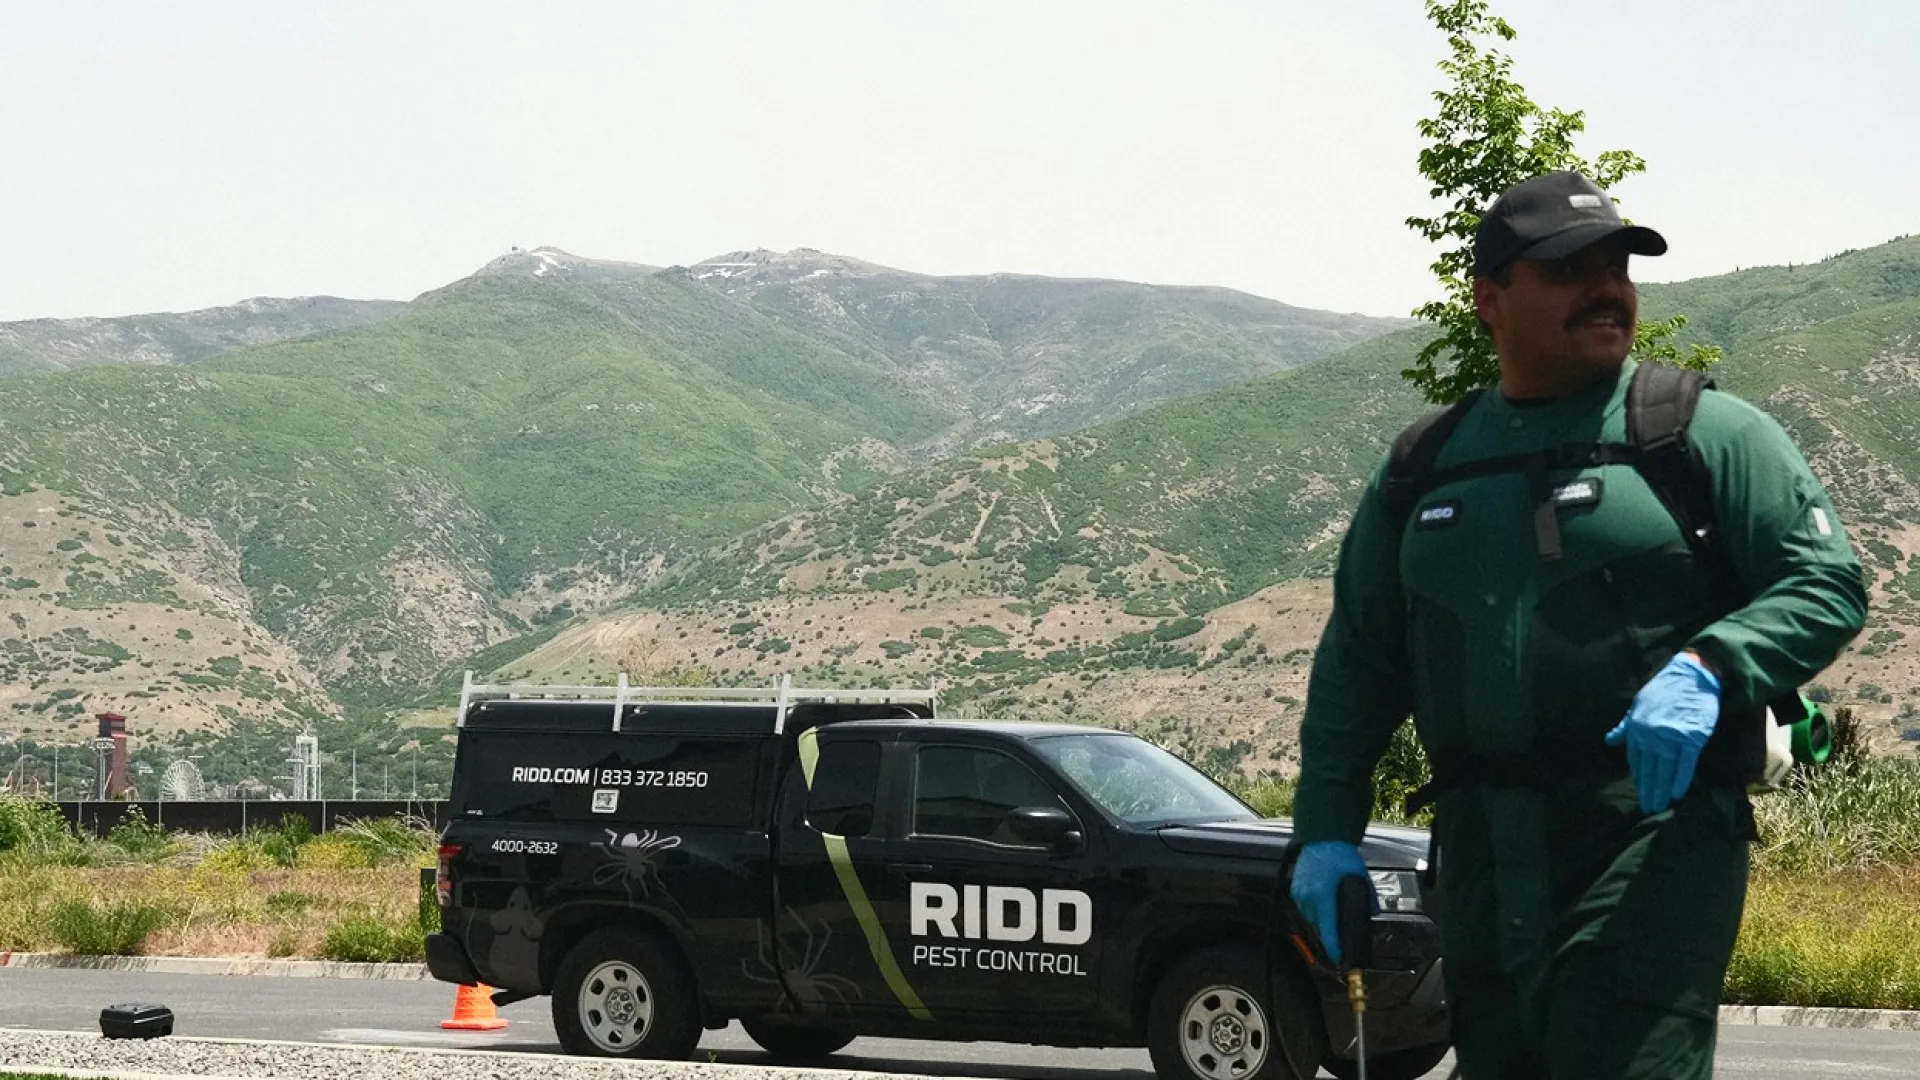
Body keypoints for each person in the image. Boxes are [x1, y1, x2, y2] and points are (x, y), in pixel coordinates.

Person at [1287, 171, 1867, 1079]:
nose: (1608, 289)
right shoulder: (1422, 468)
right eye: (1569, 270)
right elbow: (1357, 661)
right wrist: (1324, 832)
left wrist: (1713, 665)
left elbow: (1826, 581)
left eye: (1619, 268)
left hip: (1648, 846)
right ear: (1491, 301)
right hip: (1478, 861)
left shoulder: (1700, 434)